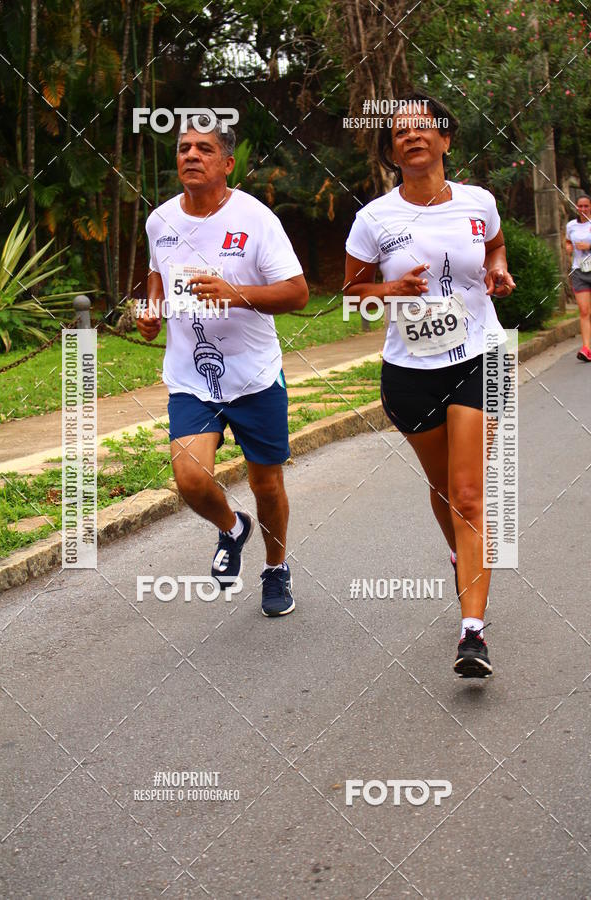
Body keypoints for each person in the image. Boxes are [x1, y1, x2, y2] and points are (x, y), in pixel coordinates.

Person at [344, 93, 515, 678]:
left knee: (468, 494)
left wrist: (497, 268)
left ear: (446, 140)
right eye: (400, 132)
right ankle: (462, 554)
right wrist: (387, 293)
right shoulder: (374, 219)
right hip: (412, 369)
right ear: (391, 152)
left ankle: (473, 633)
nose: (412, 136)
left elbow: (493, 245)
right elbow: (352, 293)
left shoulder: (478, 202)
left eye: (425, 128)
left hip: (480, 356)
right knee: (443, 489)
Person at [137, 115, 309, 616]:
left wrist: (236, 294)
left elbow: (297, 293)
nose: (191, 155)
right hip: (191, 377)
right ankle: (233, 529)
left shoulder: (256, 219)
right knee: (191, 479)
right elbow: (156, 275)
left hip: (254, 375)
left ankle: (275, 569)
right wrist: (153, 310)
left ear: (228, 163)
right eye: (184, 148)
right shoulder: (161, 220)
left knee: (266, 484)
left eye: (204, 149)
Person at [565, 195, 591, 362]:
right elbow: (567, 241)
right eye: (580, 206)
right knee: (584, 311)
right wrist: (568, 248)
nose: (582, 209)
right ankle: (587, 348)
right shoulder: (571, 225)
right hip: (579, 270)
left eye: (586, 206)